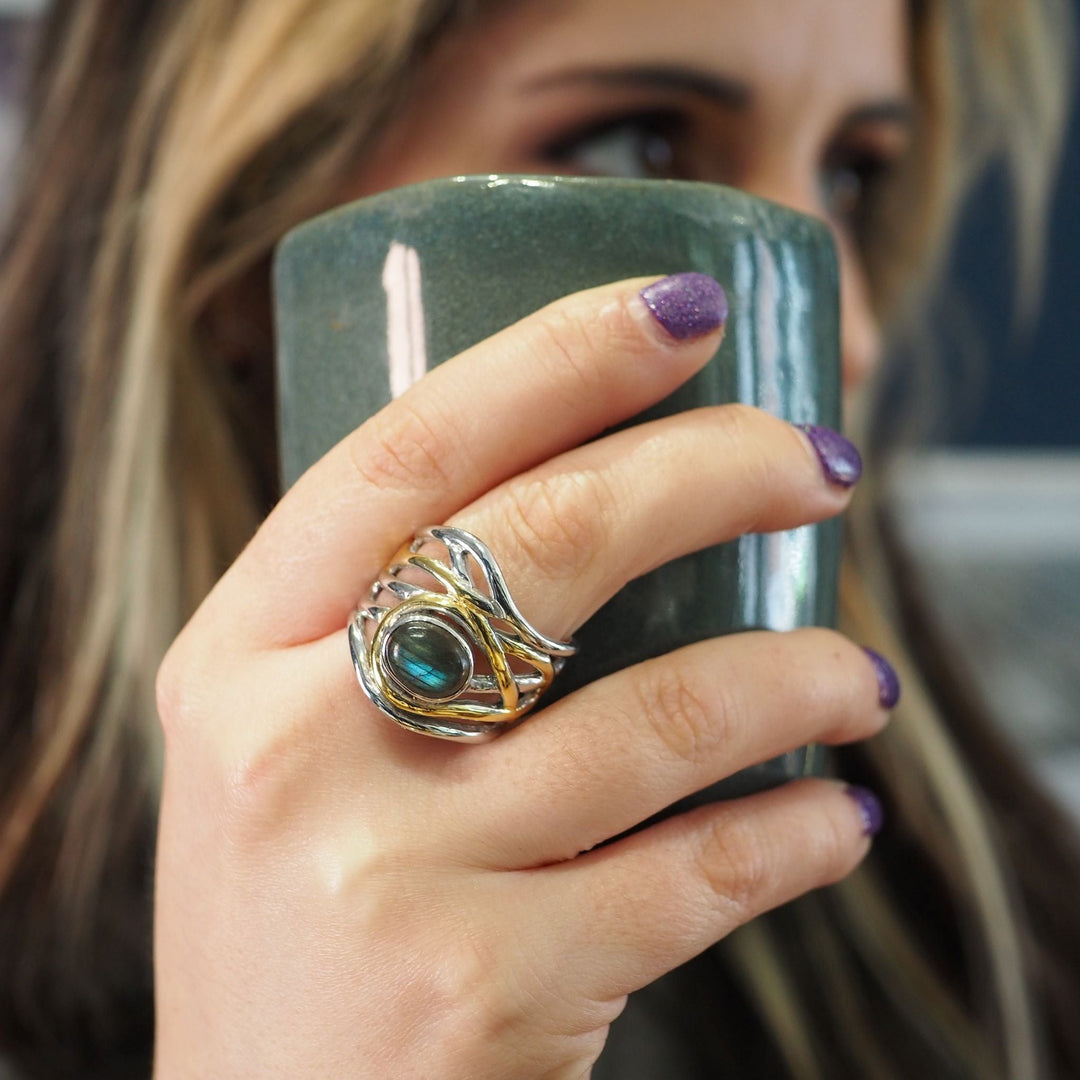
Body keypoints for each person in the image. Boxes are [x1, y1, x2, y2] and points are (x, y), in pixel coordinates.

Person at [1, 0, 1078, 1076]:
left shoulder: (991, 915)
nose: (851, 336)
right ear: (254, 255)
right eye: (638, 143)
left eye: (852, 173)